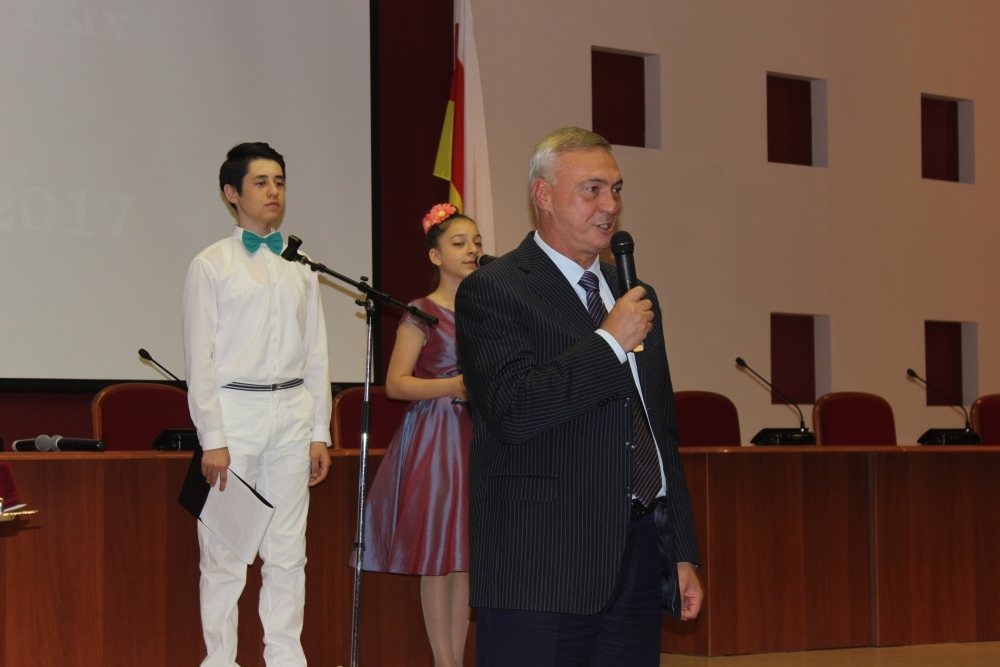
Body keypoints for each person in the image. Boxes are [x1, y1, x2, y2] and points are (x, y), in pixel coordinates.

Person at [454, 127, 703, 666]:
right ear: (543, 195)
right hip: (543, 561)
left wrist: (680, 551)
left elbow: (659, 427)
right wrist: (609, 342)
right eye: (592, 190)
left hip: (638, 554)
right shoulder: (494, 289)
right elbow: (515, 410)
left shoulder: (633, 294)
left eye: (616, 190)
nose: (610, 205)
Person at [183, 142, 332, 666]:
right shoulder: (211, 264)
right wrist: (213, 439)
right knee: (224, 556)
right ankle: (220, 660)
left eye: (279, 182)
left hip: (292, 414)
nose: (273, 192)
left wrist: (319, 430)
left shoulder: (301, 265)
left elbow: (316, 352)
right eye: (261, 183)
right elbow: (200, 359)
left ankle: (285, 658)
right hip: (235, 416)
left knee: (289, 553)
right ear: (232, 193)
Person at [358, 203, 480, 667]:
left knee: (465, 556)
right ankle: (443, 661)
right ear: (435, 256)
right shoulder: (421, 312)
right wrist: (452, 385)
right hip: (438, 436)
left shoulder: (487, 311)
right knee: (439, 553)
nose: (471, 250)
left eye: (476, 242)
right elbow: (396, 383)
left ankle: (457, 660)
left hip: (478, 436)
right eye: (459, 243)